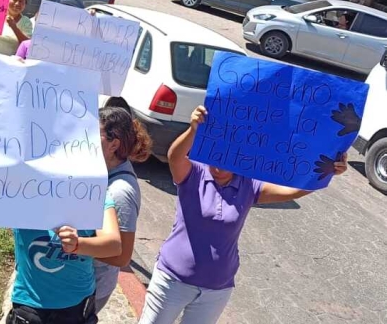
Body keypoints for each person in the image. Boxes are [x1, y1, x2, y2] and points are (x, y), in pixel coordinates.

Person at [138, 105, 348, 324]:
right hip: (172, 281)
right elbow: (174, 157)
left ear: (239, 157)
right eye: (214, 156)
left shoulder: (249, 185)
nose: (218, 166)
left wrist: (326, 173)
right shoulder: (194, 173)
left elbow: (293, 191)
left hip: (216, 290)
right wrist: (193, 129)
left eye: (226, 159)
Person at [8, 191, 122, 323]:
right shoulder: (21, 188)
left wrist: (78, 245)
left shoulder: (93, 190)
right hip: (29, 301)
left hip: (75, 305)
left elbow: (114, 245)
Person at [94, 106, 153, 312]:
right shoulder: (103, 172)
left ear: (113, 144)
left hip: (93, 288)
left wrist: (74, 248)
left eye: (94, 133)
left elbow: (122, 256)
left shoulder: (120, 192)